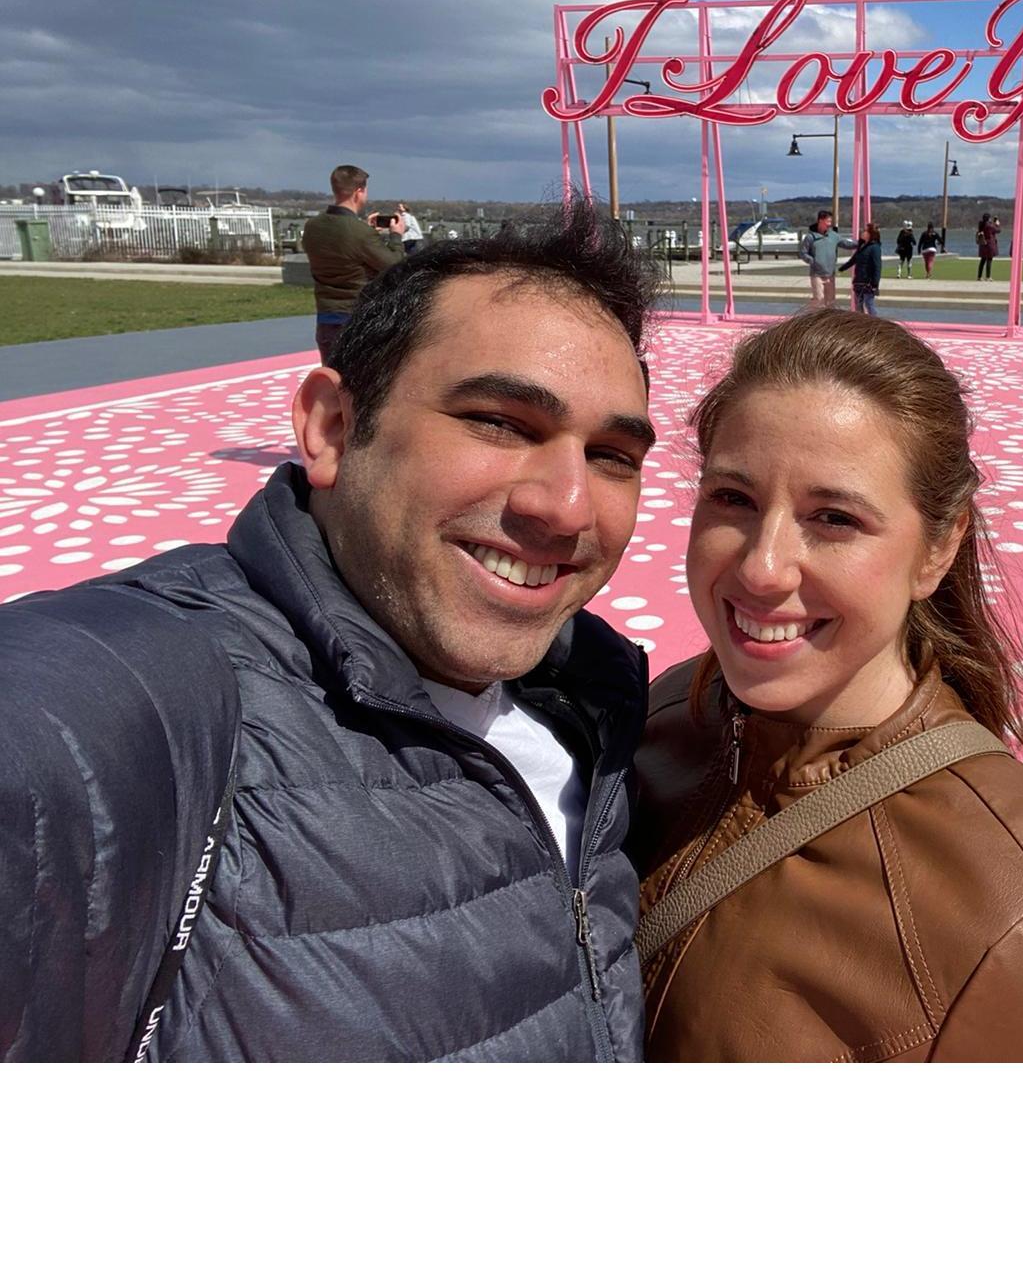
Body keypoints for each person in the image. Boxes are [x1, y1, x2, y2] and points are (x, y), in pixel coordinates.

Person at [0, 206, 661, 1060]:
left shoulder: (601, 703)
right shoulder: (161, 693)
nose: (567, 508)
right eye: (500, 422)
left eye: (612, 456)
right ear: (332, 428)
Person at [628, 311, 1023, 1061]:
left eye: (834, 518)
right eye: (733, 498)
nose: (763, 568)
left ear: (938, 548)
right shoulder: (667, 710)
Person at [300, 164, 401, 363]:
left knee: (333, 376)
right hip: (356, 319)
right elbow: (395, 266)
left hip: (326, 317)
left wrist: (368, 234)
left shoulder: (312, 226)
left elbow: (341, 249)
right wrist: (396, 236)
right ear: (359, 192)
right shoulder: (360, 233)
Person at [799, 209, 843, 309]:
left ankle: (828, 318)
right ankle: (812, 315)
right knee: (819, 299)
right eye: (828, 221)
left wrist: (862, 243)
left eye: (830, 221)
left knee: (830, 302)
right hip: (817, 274)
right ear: (820, 220)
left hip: (830, 274)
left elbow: (846, 243)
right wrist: (812, 261)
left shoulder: (833, 236)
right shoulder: (810, 237)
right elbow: (803, 253)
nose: (829, 224)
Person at [839, 222, 882, 315]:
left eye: (865, 231)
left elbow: (877, 266)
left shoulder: (875, 248)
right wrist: (842, 268)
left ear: (871, 234)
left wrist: (875, 283)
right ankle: (861, 322)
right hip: (858, 280)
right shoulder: (861, 246)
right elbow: (853, 260)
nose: (862, 232)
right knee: (858, 304)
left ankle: (874, 322)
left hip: (868, 283)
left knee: (869, 304)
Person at [975, 213, 1000, 280]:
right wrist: (997, 224)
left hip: (983, 244)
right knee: (989, 260)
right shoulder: (989, 226)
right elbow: (997, 230)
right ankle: (988, 276)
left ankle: (979, 276)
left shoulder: (981, 225)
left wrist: (993, 224)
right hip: (989, 244)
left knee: (983, 260)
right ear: (988, 219)